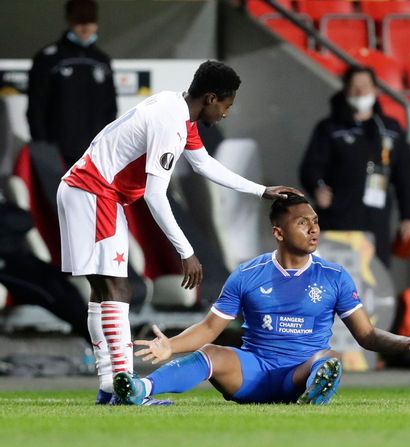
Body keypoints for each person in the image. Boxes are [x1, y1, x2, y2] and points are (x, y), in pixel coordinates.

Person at [56, 60, 301, 405]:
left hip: (85, 190)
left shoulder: (175, 107)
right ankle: (126, 389)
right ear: (212, 98)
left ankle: (111, 385)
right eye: (227, 106)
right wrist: (185, 251)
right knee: (117, 288)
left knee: (103, 291)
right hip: (96, 193)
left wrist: (260, 190)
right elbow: (156, 195)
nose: (226, 114)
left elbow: (204, 165)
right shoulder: (171, 122)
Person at [112, 195, 410, 405]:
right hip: (252, 374)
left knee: (327, 358)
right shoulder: (248, 274)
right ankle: (141, 388)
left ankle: (315, 394)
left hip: (300, 375)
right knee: (211, 353)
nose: (313, 229)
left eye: (315, 222)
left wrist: (408, 343)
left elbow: (367, 336)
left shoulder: (333, 276)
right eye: (302, 223)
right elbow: (211, 327)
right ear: (279, 233)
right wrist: (171, 346)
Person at [299, 66, 410, 267]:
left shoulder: (391, 129)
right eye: (355, 87)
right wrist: (317, 188)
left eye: (365, 86)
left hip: (376, 221)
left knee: (374, 278)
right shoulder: (329, 128)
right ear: (345, 90)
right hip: (338, 220)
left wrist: (409, 217)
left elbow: (404, 178)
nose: (361, 92)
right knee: (336, 280)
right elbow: (310, 168)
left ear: (376, 90)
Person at [27, 0, 117, 168]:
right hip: (56, 152)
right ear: (70, 21)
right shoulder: (47, 59)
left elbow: (110, 108)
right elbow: (36, 107)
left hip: (95, 153)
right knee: (56, 194)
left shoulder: (102, 61)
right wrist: (43, 147)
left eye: (90, 22)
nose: (85, 29)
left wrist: (108, 142)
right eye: (80, 22)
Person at [0, 189, 89, 343]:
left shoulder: (7, 201)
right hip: (5, 267)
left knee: (66, 286)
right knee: (49, 293)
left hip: (28, 260)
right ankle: (95, 339)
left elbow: (25, 221)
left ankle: (98, 338)